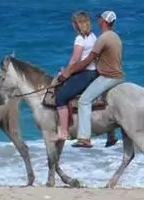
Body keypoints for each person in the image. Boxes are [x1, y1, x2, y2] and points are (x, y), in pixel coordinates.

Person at [62, 10, 124, 148]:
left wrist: (67, 72)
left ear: (104, 21)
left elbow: (86, 61)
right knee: (107, 100)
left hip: (108, 76)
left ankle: (84, 138)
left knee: (84, 100)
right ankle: (111, 136)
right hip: (118, 75)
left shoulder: (103, 38)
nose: (98, 21)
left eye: (99, 19)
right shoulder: (113, 36)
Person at [52, 12, 99, 141]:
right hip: (94, 72)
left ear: (77, 24)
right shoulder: (93, 36)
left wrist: (65, 73)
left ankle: (64, 131)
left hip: (85, 73)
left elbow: (75, 59)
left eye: (74, 23)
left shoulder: (80, 39)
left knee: (60, 97)